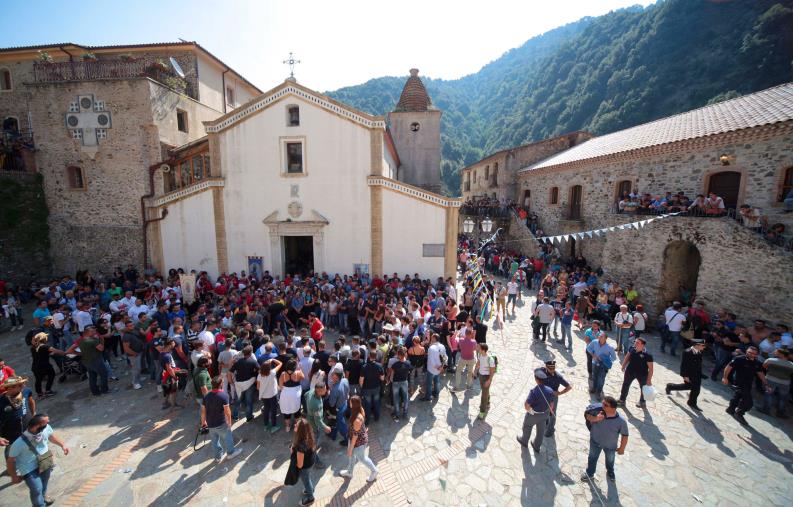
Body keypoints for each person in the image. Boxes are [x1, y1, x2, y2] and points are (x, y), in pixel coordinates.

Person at [6, 413, 69, 507]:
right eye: (46, 422)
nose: (48, 423)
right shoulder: (18, 443)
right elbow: (10, 461)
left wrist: (62, 445)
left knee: (44, 483)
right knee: (37, 489)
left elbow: (51, 436)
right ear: (37, 426)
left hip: (45, 460)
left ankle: (43, 496)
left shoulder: (45, 428)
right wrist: (13, 476)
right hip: (29, 468)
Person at [581, 396, 629, 483]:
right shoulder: (597, 411)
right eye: (602, 403)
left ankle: (610, 472)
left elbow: (625, 435)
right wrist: (595, 418)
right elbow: (587, 416)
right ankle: (590, 473)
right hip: (595, 441)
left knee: (610, 460)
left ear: (613, 408)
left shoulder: (621, 421)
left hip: (610, 446)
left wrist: (622, 448)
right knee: (592, 458)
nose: (602, 405)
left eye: (605, 405)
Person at [200, 376, 242, 463]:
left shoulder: (206, 396)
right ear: (221, 384)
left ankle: (218, 457)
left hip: (210, 424)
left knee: (215, 441)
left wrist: (203, 422)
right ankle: (231, 453)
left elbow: (203, 411)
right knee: (228, 438)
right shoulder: (224, 395)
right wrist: (229, 423)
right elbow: (227, 411)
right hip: (221, 423)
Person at [723, 346, 768, 425]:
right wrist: (725, 377)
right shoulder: (739, 359)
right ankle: (739, 413)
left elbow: (760, 373)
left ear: (756, 355)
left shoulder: (757, 363)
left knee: (738, 396)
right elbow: (728, 367)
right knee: (748, 402)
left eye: (753, 353)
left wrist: (766, 384)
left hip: (748, 383)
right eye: (749, 352)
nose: (751, 354)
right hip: (739, 382)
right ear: (746, 351)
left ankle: (731, 409)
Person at [339, 395, 378, 482]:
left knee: (362, 458)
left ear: (353, 404)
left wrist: (350, 449)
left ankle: (374, 471)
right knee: (352, 457)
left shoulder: (357, 419)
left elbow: (355, 437)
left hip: (359, 442)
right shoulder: (359, 409)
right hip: (355, 438)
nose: (349, 403)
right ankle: (349, 472)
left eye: (350, 402)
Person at [516, 369, 555, 452]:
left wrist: (530, 412)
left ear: (536, 379)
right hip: (545, 414)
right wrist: (549, 411)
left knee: (527, 426)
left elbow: (527, 405)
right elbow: (552, 404)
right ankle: (536, 446)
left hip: (534, 415)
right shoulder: (550, 390)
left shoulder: (534, 392)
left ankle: (524, 441)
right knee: (540, 432)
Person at [0, 376, 36, 458]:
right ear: (10, 388)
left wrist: (33, 413)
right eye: (20, 385)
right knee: (11, 456)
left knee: (35, 449)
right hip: (11, 435)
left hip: (29, 429)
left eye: (23, 384)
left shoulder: (26, 392)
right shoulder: (1, 401)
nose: (23, 386)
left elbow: (31, 401)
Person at [665, 338, 706, 411]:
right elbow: (684, 365)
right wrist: (685, 376)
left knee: (696, 389)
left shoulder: (699, 352)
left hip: (697, 375)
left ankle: (692, 403)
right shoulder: (688, 352)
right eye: (703, 345)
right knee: (688, 387)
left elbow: (698, 364)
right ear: (697, 345)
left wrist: (701, 374)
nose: (704, 347)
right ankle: (670, 386)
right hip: (689, 374)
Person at [618, 337, 653, 408]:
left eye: (637, 343)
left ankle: (642, 402)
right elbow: (627, 357)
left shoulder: (648, 355)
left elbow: (651, 369)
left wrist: (649, 380)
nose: (635, 343)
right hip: (630, 371)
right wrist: (623, 365)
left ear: (643, 345)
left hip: (642, 374)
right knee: (625, 385)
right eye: (635, 342)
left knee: (643, 388)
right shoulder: (632, 349)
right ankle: (622, 400)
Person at [289, 418, 317, 506]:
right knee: (307, 478)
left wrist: (292, 453)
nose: (294, 425)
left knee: (306, 480)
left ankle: (310, 498)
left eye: (296, 425)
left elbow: (300, 465)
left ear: (300, 430)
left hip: (305, 466)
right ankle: (310, 489)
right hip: (311, 461)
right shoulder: (309, 435)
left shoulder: (300, 446)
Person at [304, 382, 331, 468]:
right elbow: (318, 420)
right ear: (319, 390)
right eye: (325, 389)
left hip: (309, 420)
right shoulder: (316, 404)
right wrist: (325, 427)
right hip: (314, 426)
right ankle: (316, 462)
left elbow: (305, 395)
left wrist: (308, 409)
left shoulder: (311, 391)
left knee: (312, 442)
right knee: (313, 446)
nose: (326, 390)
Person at [760, 348, 793, 418]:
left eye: (776, 352)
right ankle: (780, 413)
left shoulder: (770, 360)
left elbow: (763, 367)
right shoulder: (791, 364)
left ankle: (766, 409)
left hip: (771, 379)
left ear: (781, 354)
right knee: (782, 398)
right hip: (785, 383)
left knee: (768, 394)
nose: (774, 353)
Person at [229, 345, 259, 422]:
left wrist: (231, 381)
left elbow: (230, 371)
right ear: (251, 353)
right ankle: (249, 417)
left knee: (238, 401)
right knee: (249, 401)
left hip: (239, 384)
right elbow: (260, 371)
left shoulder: (238, 362)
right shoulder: (253, 361)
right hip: (249, 384)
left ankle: (235, 416)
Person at [586, 331, 616, 399]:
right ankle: (594, 388)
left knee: (601, 379)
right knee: (594, 376)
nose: (599, 337)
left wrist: (606, 360)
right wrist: (593, 355)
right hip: (594, 363)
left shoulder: (610, 347)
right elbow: (588, 348)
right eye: (599, 336)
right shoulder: (594, 342)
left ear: (605, 338)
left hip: (603, 366)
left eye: (601, 336)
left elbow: (614, 358)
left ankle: (598, 393)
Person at [279, 359, 305, 432]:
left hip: (286, 394)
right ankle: (297, 427)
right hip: (295, 394)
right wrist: (300, 369)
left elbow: (280, 386)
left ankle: (287, 427)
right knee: (297, 412)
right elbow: (303, 378)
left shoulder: (283, 374)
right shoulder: (298, 373)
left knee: (287, 411)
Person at [257, 358, 282, 432]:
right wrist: (273, 360)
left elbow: (258, 387)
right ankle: (274, 426)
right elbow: (280, 363)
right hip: (272, 395)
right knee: (273, 410)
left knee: (266, 410)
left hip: (264, 396)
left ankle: (266, 425)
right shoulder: (272, 373)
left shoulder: (259, 375)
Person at [360, 349, 385, 422]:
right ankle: (377, 417)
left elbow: (361, 379)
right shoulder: (379, 366)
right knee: (376, 402)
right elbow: (382, 378)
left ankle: (367, 419)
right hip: (376, 387)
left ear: (369, 356)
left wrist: (361, 387)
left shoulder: (364, 367)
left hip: (367, 388)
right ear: (376, 356)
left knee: (367, 404)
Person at [387, 347, 412, 421]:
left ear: (399, 355)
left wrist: (388, 378)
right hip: (404, 381)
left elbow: (391, 373)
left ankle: (397, 414)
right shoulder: (408, 363)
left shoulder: (395, 364)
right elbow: (410, 371)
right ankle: (405, 413)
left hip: (396, 382)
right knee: (405, 397)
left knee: (396, 398)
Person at [421, 333, 447, 401]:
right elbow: (445, 357)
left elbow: (431, 361)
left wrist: (438, 367)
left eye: (432, 338)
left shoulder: (431, 348)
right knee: (437, 381)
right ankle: (436, 393)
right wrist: (441, 367)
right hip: (439, 368)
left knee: (429, 384)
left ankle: (428, 397)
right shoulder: (442, 346)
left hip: (432, 369)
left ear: (434, 339)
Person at [327, 370, 350, 444]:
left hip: (339, 409)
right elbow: (348, 390)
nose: (331, 377)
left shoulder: (335, 389)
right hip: (345, 403)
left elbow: (331, 404)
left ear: (337, 378)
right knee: (337, 422)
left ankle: (347, 439)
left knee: (341, 424)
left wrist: (329, 395)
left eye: (333, 376)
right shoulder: (345, 380)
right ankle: (333, 434)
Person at [475, 343, 496, 419]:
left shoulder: (490, 359)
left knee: (483, 395)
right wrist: (475, 371)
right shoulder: (481, 355)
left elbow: (492, 370)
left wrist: (489, 380)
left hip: (486, 378)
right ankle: (488, 403)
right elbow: (478, 363)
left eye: (479, 347)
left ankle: (482, 412)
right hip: (481, 376)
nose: (477, 348)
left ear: (483, 350)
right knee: (485, 391)